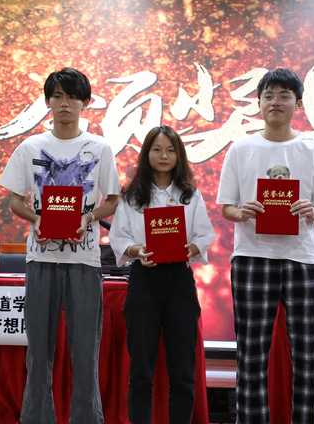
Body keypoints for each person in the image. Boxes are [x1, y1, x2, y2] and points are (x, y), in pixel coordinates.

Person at [0, 67, 120, 424]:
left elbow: (113, 200)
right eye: (57, 96)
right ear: (48, 102)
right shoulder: (30, 147)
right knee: (38, 353)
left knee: (85, 354)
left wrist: (88, 217)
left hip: (85, 262)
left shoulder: (100, 148)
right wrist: (37, 220)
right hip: (41, 259)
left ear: (85, 102)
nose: (64, 104)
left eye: (72, 97)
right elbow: (15, 201)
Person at [216, 68, 314, 424]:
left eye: (284, 95)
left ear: (298, 103)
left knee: (307, 355)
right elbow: (226, 207)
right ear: (259, 103)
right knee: (251, 355)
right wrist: (242, 211)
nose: (275, 102)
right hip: (253, 257)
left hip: (304, 259)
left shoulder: (313, 148)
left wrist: (311, 210)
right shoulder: (241, 148)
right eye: (268, 96)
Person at [109, 125, 216, 424]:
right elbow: (119, 237)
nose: (164, 156)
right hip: (144, 281)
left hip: (179, 281)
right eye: (157, 149)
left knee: (182, 371)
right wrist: (136, 250)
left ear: (179, 155)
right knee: (141, 370)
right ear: (146, 154)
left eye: (170, 150)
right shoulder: (132, 197)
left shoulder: (190, 195)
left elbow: (205, 235)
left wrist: (191, 247)